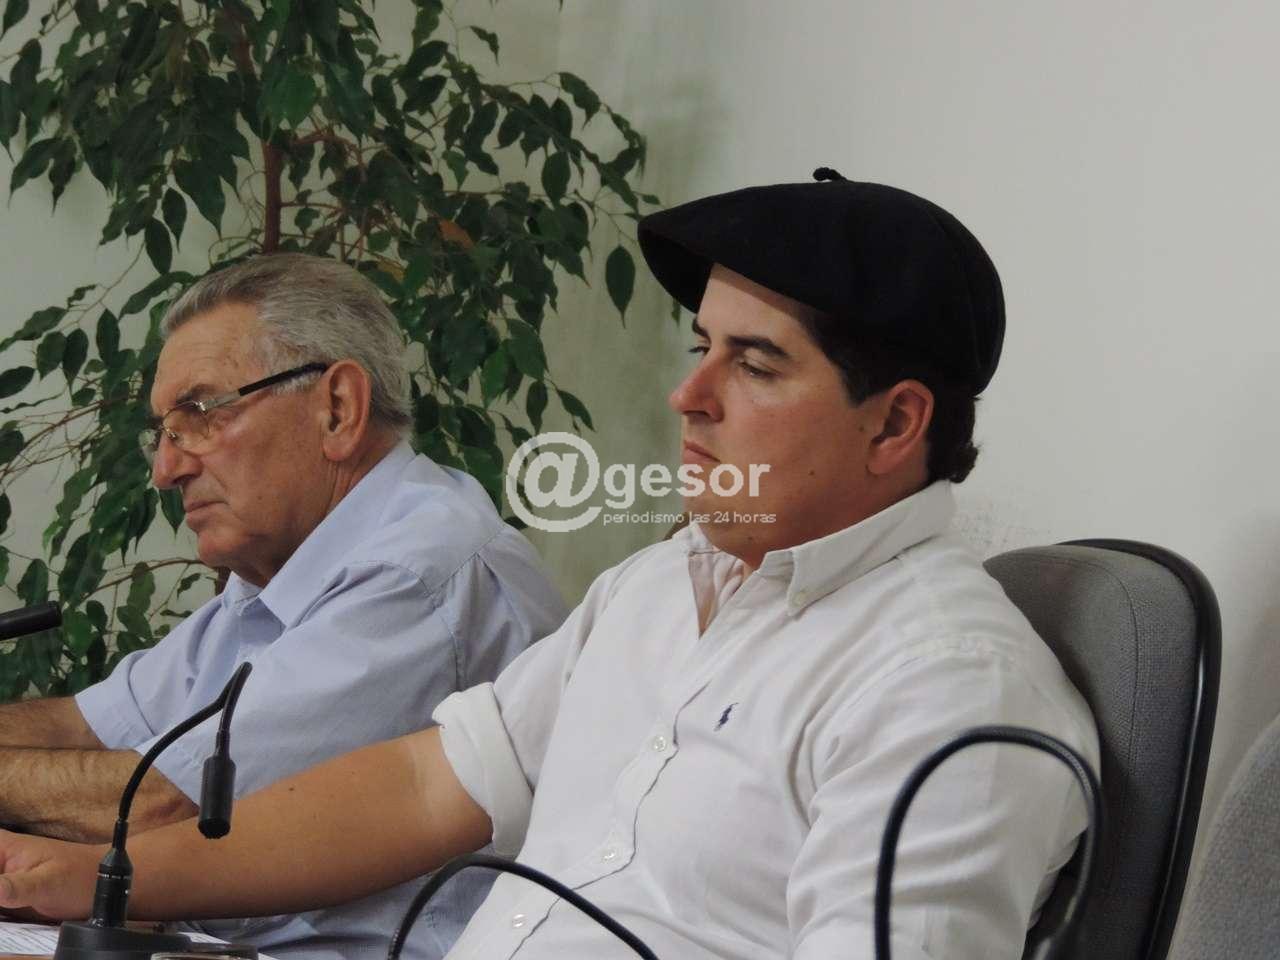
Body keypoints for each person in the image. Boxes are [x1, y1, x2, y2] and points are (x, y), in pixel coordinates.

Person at [0, 175, 1099, 960]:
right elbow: (423, 787)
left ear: (894, 424)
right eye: (700, 349)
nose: (689, 396)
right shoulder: (656, 590)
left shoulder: (946, 688)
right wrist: (89, 881)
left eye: (755, 364)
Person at [0, 254, 567, 960]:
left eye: (199, 414)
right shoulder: (275, 577)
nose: (165, 470)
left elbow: (165, 810)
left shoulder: (418, 571)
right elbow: (86, 726)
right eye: (165, 431)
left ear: (338, 409)